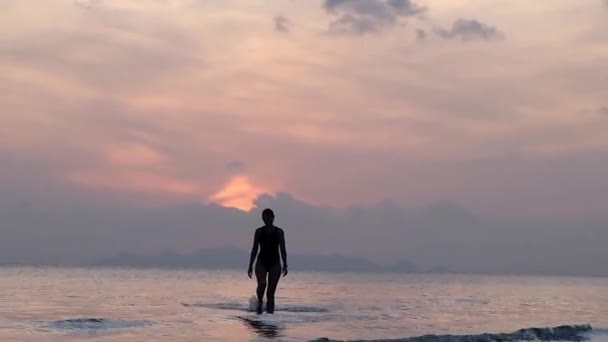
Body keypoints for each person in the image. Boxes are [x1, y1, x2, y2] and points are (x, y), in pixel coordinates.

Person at [247, 208, 288, 314]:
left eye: (269, 218)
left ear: (273, 218)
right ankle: (259, 302)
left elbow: (283, 249)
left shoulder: (279, 232)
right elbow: (255, 248)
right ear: (263, 219)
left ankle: (270, 318)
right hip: (261, 262)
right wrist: (250, 265)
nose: (267, 220)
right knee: (262, 283)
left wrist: (285, 264)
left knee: (270, 293)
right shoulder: (259, 231)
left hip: (275, 262)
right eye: (265, 218)